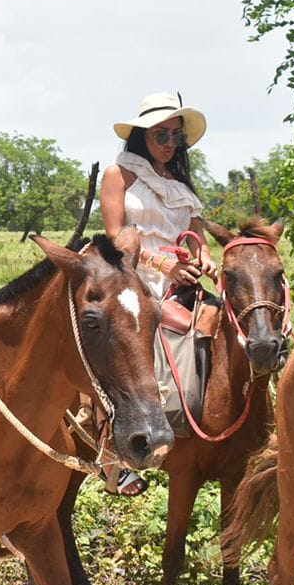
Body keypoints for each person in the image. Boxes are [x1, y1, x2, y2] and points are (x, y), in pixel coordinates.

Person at [97, 92, 213, 494]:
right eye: (160, 134)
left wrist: (204, 260)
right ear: (142, 135)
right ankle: (112, 458)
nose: (168, 143)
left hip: (180, 281)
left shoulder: (181, 184)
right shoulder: (119, 174)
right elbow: (116, 236)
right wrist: (162, 264)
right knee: (121, 354)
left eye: (175, 136)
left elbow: (197, 239)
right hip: (132, 278)